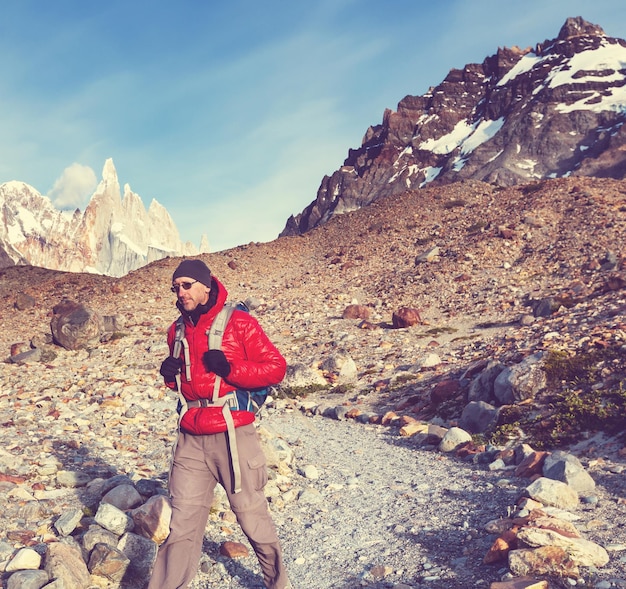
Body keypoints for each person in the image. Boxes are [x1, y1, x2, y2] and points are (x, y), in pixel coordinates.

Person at [148, 259, 290, 589]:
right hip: (191, 438)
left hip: (232, 433)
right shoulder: (176, 330)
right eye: (175, 287)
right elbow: (185, 385)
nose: (179, 292)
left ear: (206, 286)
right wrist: (171, 377)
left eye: (186, 285)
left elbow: (276, 368)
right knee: (181, 522)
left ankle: (279, 583)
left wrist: (230, 369)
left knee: (250, 515)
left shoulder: (239, 324)